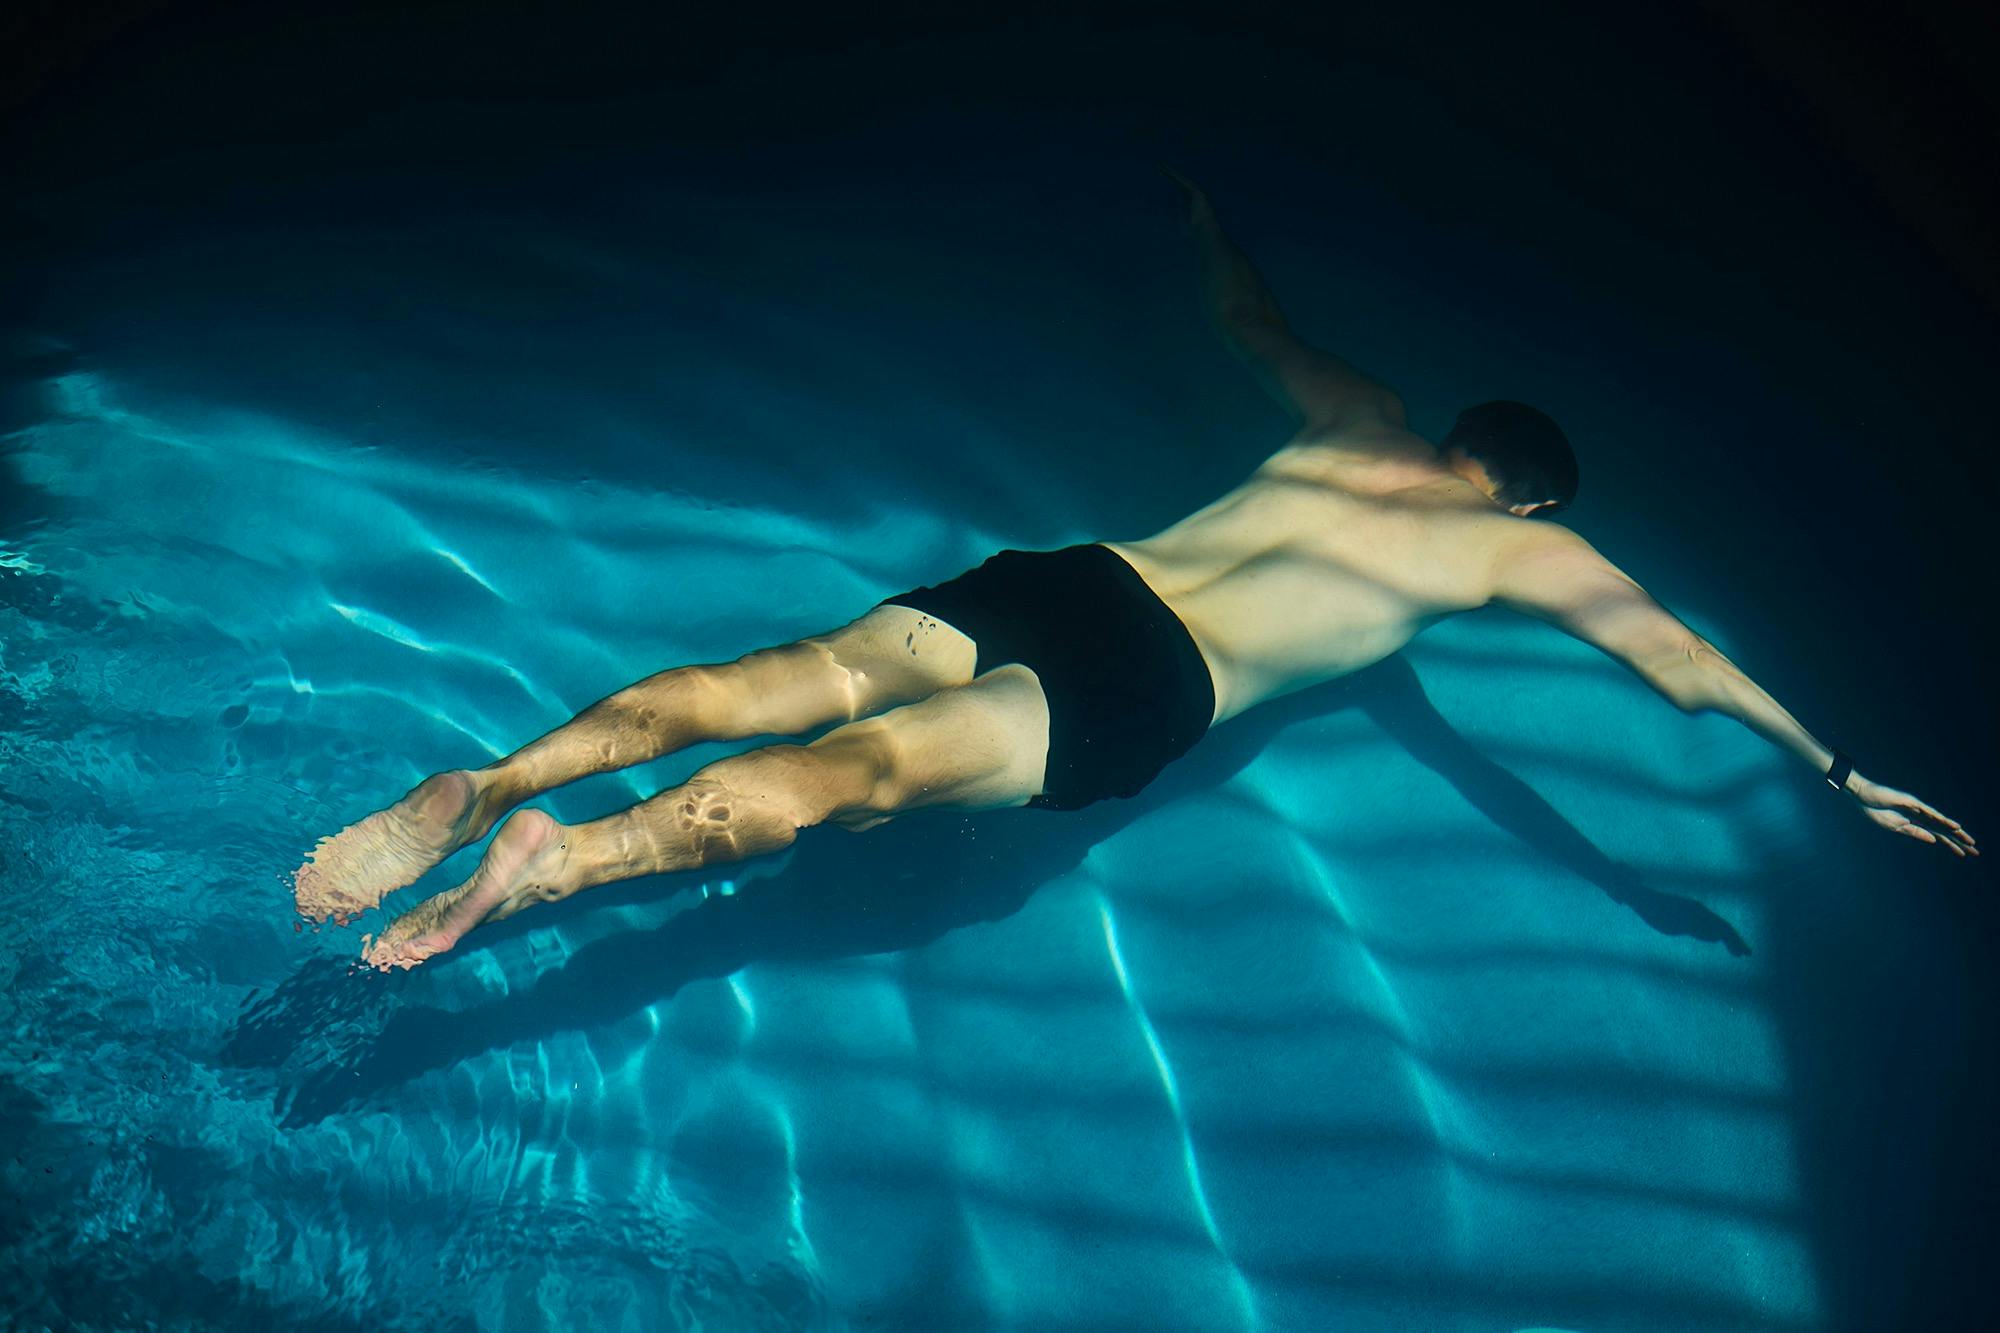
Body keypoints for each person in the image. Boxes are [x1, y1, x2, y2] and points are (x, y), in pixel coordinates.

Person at [297, 175, 1975, 971]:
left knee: (769, 681)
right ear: (1528, 497)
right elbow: (1677, 660)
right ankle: (565, 861)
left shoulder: (1356, 414)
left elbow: (1249, 319)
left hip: (1078, 577)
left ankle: (500, 778)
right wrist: (1835, 765)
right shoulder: (1510, 551)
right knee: (847, 779)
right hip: (1152, 682)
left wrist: (1206, 225)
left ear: (1456, 431)